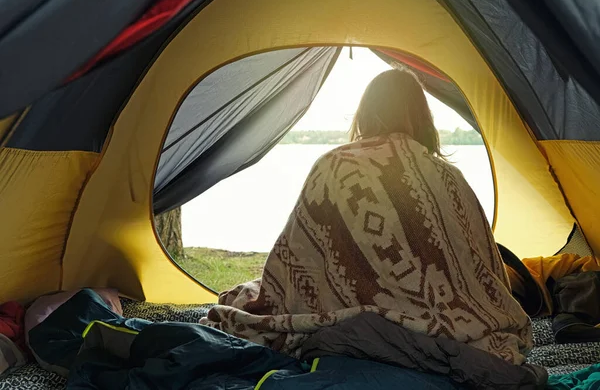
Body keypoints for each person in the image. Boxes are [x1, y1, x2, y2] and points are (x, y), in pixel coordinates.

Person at [200, 69, 533, 365]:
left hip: (357, 315)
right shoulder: (449, 176)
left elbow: (297, 257)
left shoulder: (334, 166)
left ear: (366, 114)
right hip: (456, 322)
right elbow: (482, 270)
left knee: (247, 296)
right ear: (422, 116)